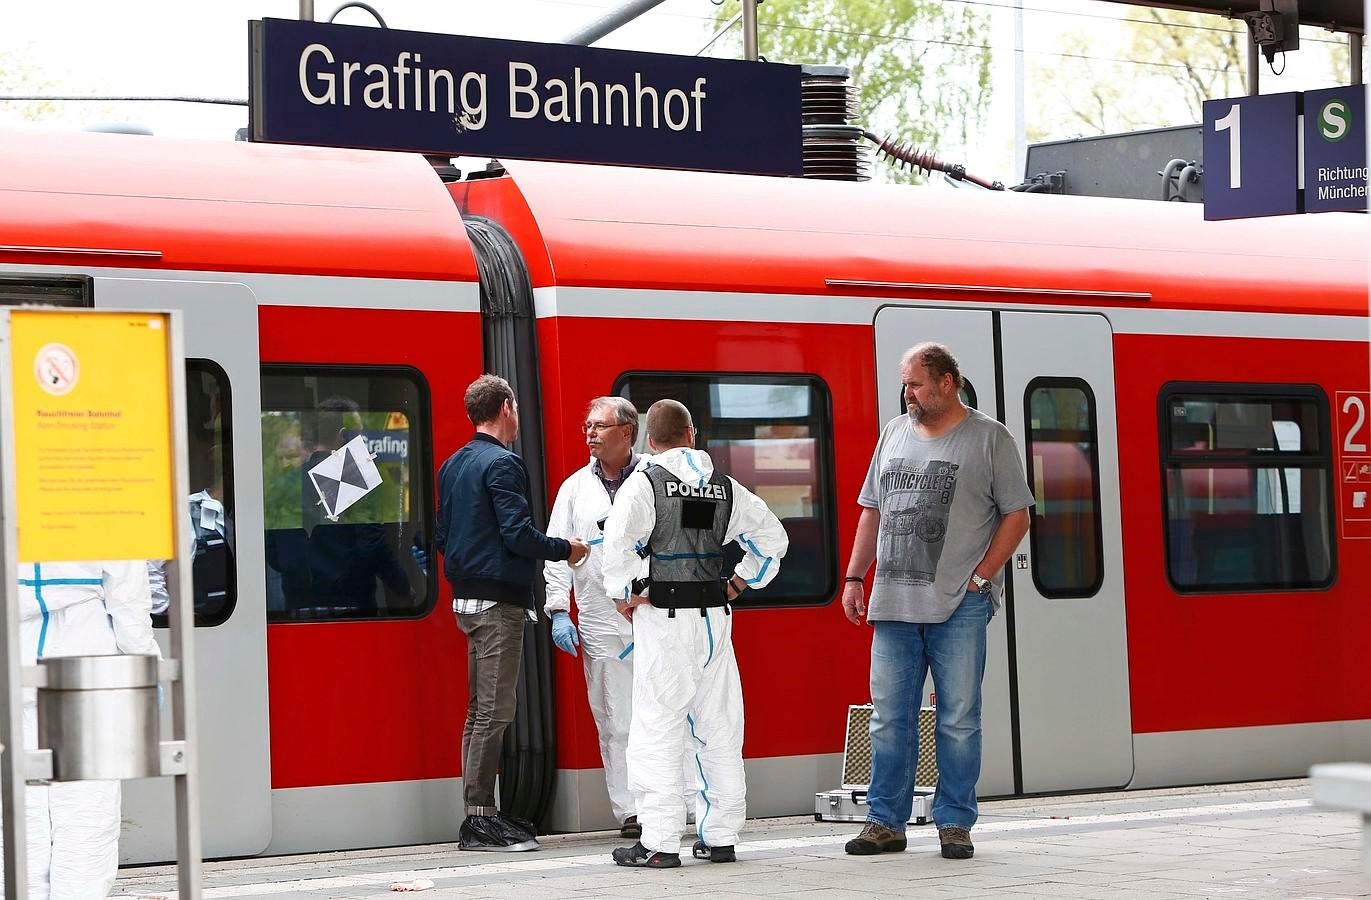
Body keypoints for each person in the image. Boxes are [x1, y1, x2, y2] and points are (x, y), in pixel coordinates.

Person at [841, 342, 1032, 861]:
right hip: (893, 604)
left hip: (958, 605)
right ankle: (885, 822)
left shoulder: (990, 438)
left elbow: (1018, 514)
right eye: (905, 384)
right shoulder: (893, 433)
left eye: (916, 384)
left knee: (957, 718)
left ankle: (954, 823)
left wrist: (983, 577)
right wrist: (855, 577)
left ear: (948, 382)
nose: (908, 394)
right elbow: (871, 510)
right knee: (888, 718)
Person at [600, 399, 788, 869]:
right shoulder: (725, 489)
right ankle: (720, 836)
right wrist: (739, 582)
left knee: (656, 730)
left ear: (649, 439)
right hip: (715, 623)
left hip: (664, 625)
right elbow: (772, 541)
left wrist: (631, 592)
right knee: (719, 728)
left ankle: (659, 843)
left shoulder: (643, 485)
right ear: (692, 435)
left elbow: (618, 560)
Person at [435, 374, 589, 852]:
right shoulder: (504, 464)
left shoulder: (453, 464)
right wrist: (569, 548)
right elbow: (519, 535)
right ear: (507, 407)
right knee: (495, 712)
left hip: (466, 600)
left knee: (479, 710)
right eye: (516, 407)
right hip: (499, 602)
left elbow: (443, 536)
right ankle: (479, 821)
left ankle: (478, 812)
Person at [543, 397, 697, 840]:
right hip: (599, 621)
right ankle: (633, 810)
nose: (590, 433)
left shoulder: (661, 477)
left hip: (661, 614)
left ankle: (684, 800)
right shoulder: (574, 489)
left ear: (627, 432)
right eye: (586, 426)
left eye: (599, 426)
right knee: (615, 717)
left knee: (675, 709)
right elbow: (558, 552)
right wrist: (558, 609)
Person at [7, 561, 161, 899]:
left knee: (19, 813)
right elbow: (129, 601)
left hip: (11, 666)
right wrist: (148, 668)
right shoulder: (98, 511)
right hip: (86, 669)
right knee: (88, 814)